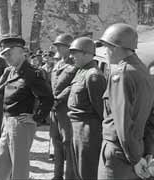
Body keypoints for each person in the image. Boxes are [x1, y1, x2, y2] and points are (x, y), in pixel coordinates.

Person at [0, 35, 53, 180]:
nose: (7, 57)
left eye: (10, 53)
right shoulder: (11, 71)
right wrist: (6, 73)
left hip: (21, 123)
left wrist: (36, 117)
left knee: (19, 166)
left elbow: (48, 99)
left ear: (21, 51)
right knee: (1, 162)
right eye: (5, 54)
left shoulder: (32, 74)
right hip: (7, 121)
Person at [97, 23, 154, 179]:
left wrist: (135, 159)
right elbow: (150, 117)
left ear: (115, 47)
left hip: (119, 152)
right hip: (137, 149)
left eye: (106, 47)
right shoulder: (143, 71)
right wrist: (147, 151)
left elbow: (122, 121)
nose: (105, 52)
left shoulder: (121, 74)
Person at [67, 37, 106, 180]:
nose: (71, 57)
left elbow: (101, 109)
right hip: (77, 127)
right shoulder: (81, 71)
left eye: (75, 53)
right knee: (77, 170)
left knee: (87, 171)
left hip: (88, 130)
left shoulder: (93, 75)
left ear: (86, 54)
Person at [50, 33, 78, 180]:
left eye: (61, 46)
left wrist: (58, 99)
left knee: (68, 144)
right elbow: (53, 85)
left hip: (66, 109)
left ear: (69, 47)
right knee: (56, 142)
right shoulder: (58, 63)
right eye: (57, 46)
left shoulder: (74, 64)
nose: (58, 48)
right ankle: (57, 176)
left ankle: (70, 176)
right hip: (55, 110)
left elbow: (72, 86)